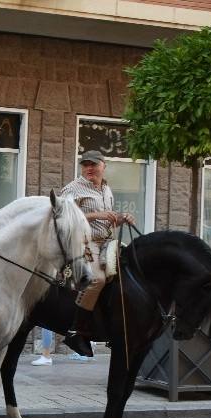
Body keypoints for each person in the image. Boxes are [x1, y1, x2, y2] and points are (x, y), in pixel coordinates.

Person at [58, 150, 135, 358]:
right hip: (84, 242)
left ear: (104, 165)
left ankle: (112, 327)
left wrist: (121, 218)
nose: (89, 168)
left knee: (129, 277)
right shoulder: (73, 188)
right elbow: (62, 216)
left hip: (108, 243)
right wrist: (96, 215)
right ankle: (76, 330)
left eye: (93, 164)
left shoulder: (106, 189)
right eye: (85, 165)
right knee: (97, 280)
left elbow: (107, 220)